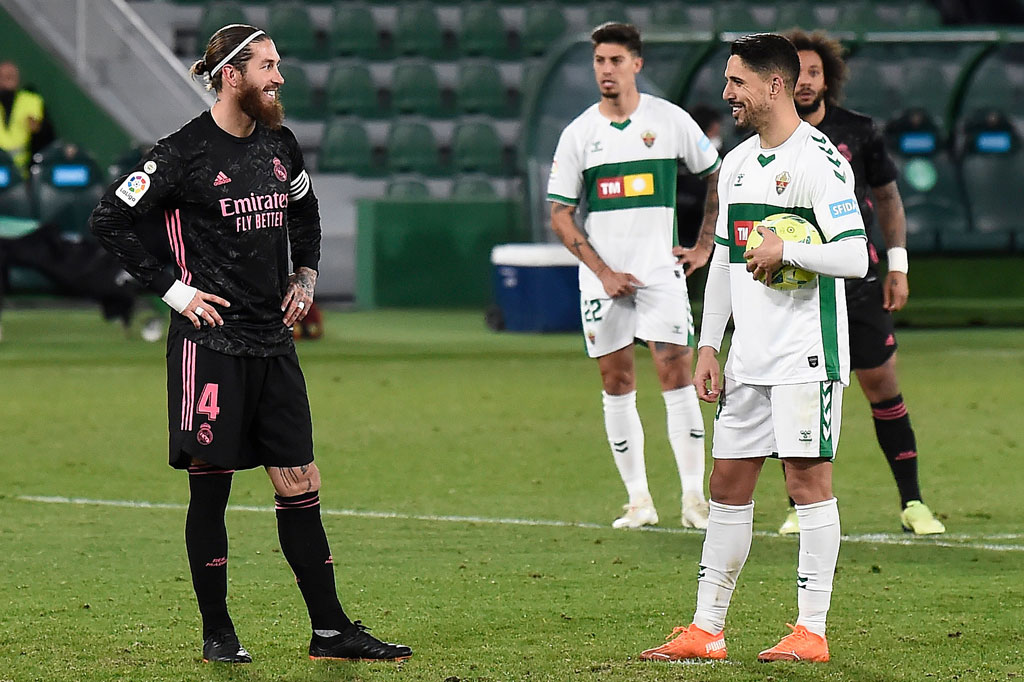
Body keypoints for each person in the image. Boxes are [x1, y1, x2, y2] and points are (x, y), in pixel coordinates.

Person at [89, 25, 411, 664]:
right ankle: (218, 632)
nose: (279, 77)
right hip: (209, 348)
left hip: (273, 343)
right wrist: (175, 293)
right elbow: (110, 219)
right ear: (231, 75)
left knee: (300, 481)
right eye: (268, 66)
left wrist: (307, 276)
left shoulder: (280, 146)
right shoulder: (180, 155)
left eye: (279, 65)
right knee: (212, 488)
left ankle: (329, 632)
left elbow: (306, 215)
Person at [639, 33, 868, 664]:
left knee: (807, 481)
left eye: (737, 81)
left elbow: (854, 255)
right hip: (748, 356)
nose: (725, 92)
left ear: (776, 85)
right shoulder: (736, 164)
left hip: (806, 352)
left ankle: (811, 631)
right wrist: (709, 342)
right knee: (728, 481)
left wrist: (787, 250)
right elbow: (723, 265)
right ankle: (706, 629)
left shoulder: (821, 161)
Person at [547, 23, 721, 530]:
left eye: (616, 60)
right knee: (616, 381)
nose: (606, 69)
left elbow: (715, 173)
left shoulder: (668, 121)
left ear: (637, 64)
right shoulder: (580, 132)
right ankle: (639, 500)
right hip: (602, 281)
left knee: (677, 377)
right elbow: (559, 212)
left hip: (660, 274)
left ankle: (694, 500)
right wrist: (602, 271)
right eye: (600, 61)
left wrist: (705, 244)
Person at [774, 29, 944, 536]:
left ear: (829, 78)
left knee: (882, 389)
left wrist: (898, 265)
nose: (805, 82)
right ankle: (797, 506)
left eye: (814, 72)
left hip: (860, 282)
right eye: (796, 73)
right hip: (796, 290)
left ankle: (913, 502)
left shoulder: (860, 131)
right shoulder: (765, 138)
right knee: (799, 397)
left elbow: (889, 200)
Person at [0, 60, 53, 175]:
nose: (7, 79)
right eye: (3, 76)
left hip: (23, 172)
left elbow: (45, 132)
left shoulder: (31, 100)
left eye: (11, 76)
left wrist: (37, 127)